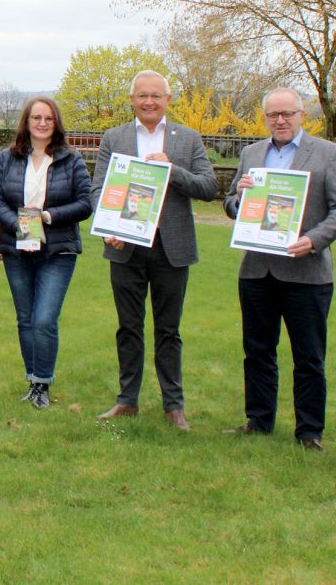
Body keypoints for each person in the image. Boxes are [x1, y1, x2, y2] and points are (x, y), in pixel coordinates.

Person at [222, 88, 336, 451]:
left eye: (287, 114)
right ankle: (259, 420)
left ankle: (309, 431)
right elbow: (231, 202)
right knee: (257, 351)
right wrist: (239, 199)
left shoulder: (328, 153)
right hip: (257, 271)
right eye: (273, 115)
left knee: (309, 357)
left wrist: (313, 240)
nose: (280, 121)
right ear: (264, 118)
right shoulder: (251, 153)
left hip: (306, 273)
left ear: (301, 115)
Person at [91, 70, 217, 430]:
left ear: (168, 99)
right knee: (128, 327)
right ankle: (126, 400)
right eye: (142, 95)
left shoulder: (188, 139)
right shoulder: (114, 137)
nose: (149, 101)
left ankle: (173, 405)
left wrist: (172, 170)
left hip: (171, 248)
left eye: (156, 96)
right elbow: (98, 190)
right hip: (125, 247)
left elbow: (209, 187)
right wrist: (108, 229)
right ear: (131, 99)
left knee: (168, 330)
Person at [0, 97, 91, 408]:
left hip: (57, 249)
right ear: (27, 121)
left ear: (56, 122)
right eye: (36, 117)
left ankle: (43, 382)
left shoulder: (71, 160)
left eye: (48, 118)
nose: (42, 123)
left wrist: (48, 216)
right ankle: (33, 379)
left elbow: (85, 203)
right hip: (17, 248)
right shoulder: (8, 158)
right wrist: (18, 224)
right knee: (26, 319)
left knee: (44, 319)